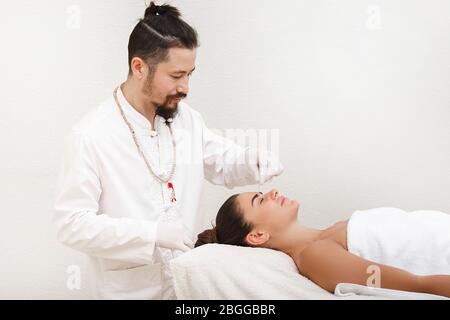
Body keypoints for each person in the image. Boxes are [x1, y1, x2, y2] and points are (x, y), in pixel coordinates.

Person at [53, 2, 283, 300]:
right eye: (176, 76)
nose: (185, 87)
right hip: (131, 290)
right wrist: (152, 234)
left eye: (190, 74)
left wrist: (251, 161)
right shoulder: (91, 136)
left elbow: (222, 161)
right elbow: (71, 224)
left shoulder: (186, 118)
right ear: (139, 67)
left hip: (189, 289)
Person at [196, 189, 450, 298]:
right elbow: (415, 285)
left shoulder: (328, 234)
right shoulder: (314, 256)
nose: (272, 191)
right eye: (260, 200)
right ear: (257, 236)